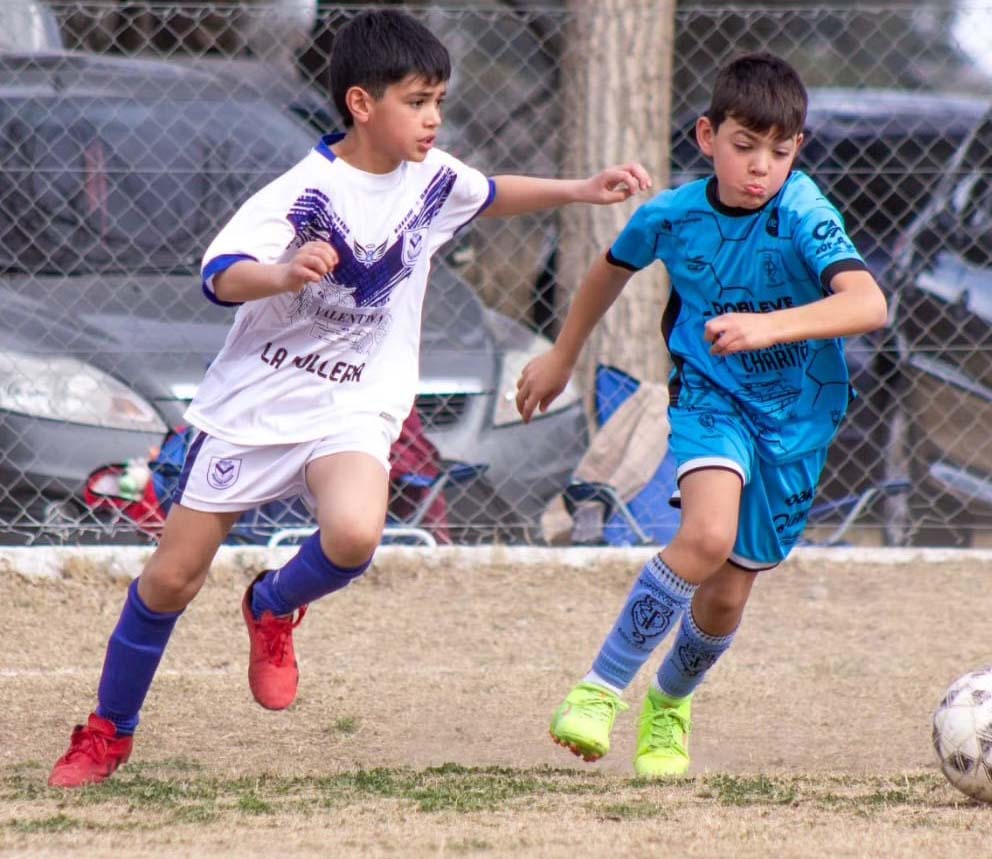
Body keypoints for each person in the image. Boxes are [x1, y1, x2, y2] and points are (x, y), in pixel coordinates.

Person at [47, 9, 651, 788]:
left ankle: (272, 605)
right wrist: (283, 271)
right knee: (172, 578)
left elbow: (490, 192)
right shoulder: (304, 190)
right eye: (418, 100)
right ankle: (107, 731)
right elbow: (220, 272)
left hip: (355, 404)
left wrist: (580, 189)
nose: (434, 117)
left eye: (439, 99)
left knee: (356, 533)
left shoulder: (432, 181)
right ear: (362, 104)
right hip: (257, 406)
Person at [516, 52, 887, 777]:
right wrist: (563, 355)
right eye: (744, 146)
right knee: (706, 533)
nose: (760, 168)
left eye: (779, 153)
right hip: (710, 397)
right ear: (707, 135)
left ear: (797, 151)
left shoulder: (805, 211)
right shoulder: (673, 218)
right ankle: (599, 691)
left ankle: (669, 702)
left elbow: (868, 303)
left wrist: (767, 326)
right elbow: (608, 268)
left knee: (724, 595)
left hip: (799, 418)